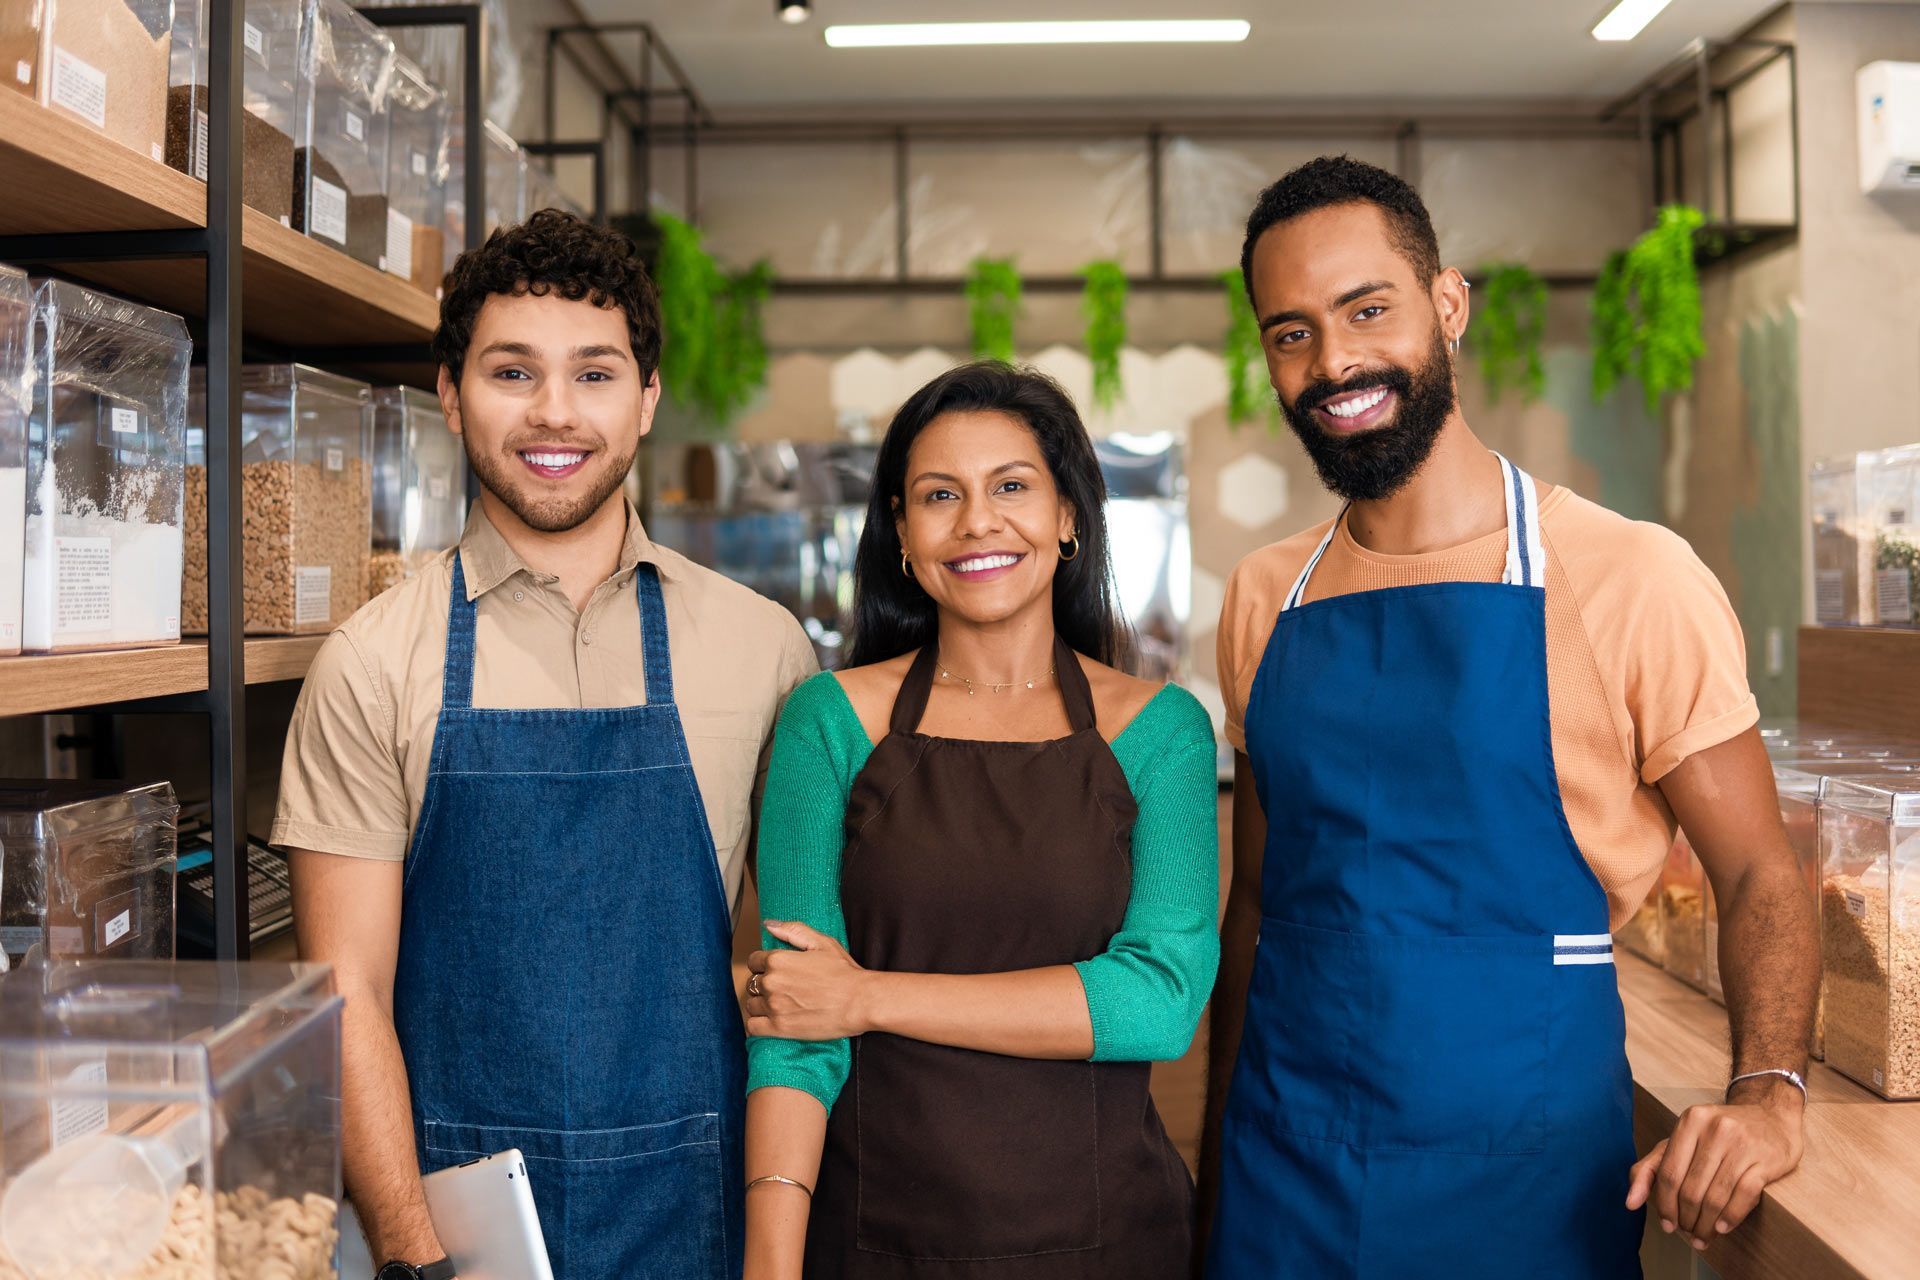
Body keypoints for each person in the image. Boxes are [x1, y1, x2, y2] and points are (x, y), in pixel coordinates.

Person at [1198, 157, 1816, 1277]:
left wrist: (1770, 1090)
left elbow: (1761, 874)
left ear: (1448, 303)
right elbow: (1257, 903)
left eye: (1366, 309)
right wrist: (1216, 1177)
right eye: (1290, 333)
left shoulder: (1631, 576)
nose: (1333, 362)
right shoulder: (1264, 596)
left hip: (1526, 1187)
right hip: (1284, 1178)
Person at [274, 210, 817, 1280]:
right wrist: (419, 1257)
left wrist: (773, 1245)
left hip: (698, 1215)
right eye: (512, 371)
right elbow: (347, 997)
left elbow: (788, 985)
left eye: (596, 373)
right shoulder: (374, 662)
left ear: (648, 398)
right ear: (449, 390)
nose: (554, 412)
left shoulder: (765, 650)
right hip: (457, 1228)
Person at [737, 361, 1220, 1280]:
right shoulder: (827, 723)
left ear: (1069, 516)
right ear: (902, 532)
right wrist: (771, 1265)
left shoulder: (1161, 733)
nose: (977, 522)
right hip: (875, 1231)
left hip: (1111, 1238)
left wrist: (872, 996)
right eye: (939, 495)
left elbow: (1159, 1003)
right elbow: (800, 1029)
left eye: (1011, 486)